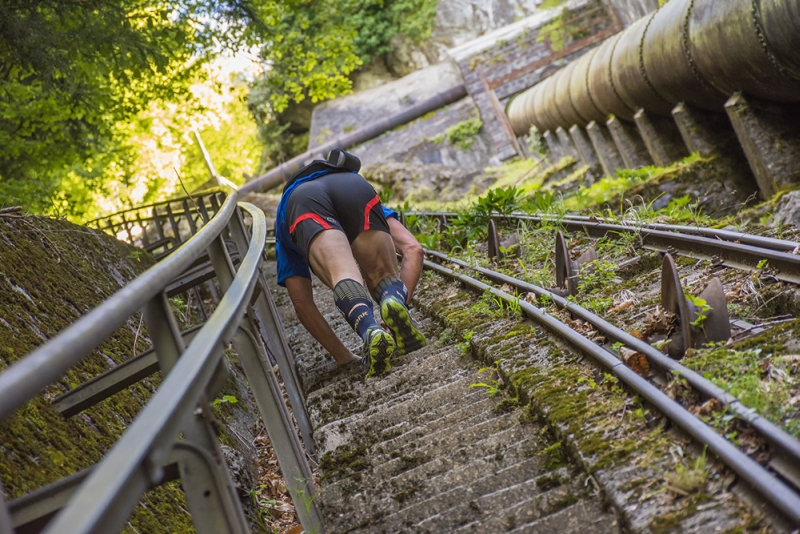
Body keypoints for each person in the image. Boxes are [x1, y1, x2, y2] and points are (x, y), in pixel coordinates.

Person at [275, 149, 426, 378]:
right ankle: (393, 299)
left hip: (302, 202)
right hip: (354, 187)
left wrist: (342, 355)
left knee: (343, 274)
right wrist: (401, 303)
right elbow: (414, 249)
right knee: (383, 275)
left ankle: (370, 331)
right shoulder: (346, 180)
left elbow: (301, 303)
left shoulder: (285, 211)